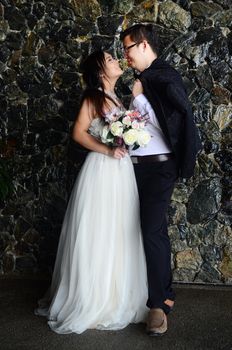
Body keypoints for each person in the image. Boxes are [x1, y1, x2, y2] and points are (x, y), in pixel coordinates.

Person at [34, 50, 148, 334]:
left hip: (121, 172)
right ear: (99, 71)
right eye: (110, 59)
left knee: (120, 229)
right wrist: (109, 149)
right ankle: (94, 298)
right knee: (99, 230)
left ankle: (117, 295)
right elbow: (79, 133)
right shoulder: (93, 97)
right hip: (101, 170)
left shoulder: (115, 98)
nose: (115, 61)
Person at [120, 24, 202, 336]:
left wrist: (141, 98)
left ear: (142, 46)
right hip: (133, 167)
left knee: (152, 230)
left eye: (128, 47)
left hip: (158, 168)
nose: (125, 54)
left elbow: (177, 118)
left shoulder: (163, 76)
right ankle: (137, 294)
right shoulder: (141, 81)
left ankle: (160, 303)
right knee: (138, 230)